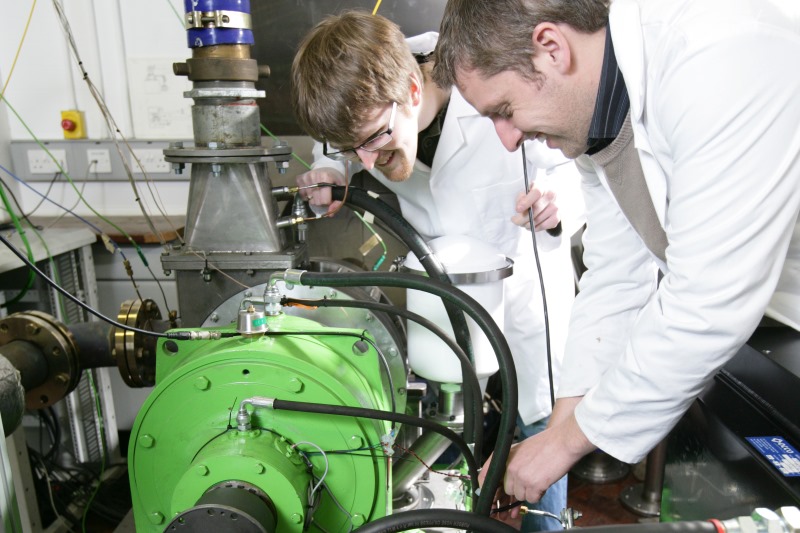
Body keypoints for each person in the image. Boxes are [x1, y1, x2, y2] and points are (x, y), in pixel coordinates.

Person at [432, 0, 800, 518]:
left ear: (552, 48)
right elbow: (615, 274)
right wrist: (561, 428)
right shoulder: (597, 120)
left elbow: (707, 302)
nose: (508, 139)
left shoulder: (720, 50)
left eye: (504, 111)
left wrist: (562, 446)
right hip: (755, 320)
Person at [291, 11, 585, 531]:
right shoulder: (367, 106)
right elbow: (337, 144)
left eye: (376, 140)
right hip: (441, 295)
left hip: (524, 296)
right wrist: (330, 170)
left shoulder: (493, 79)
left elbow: (574, 166)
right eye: (352, 148)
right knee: (448, 431)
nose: (369, 159)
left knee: (539, 430)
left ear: (410, 87)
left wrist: (558, 202)